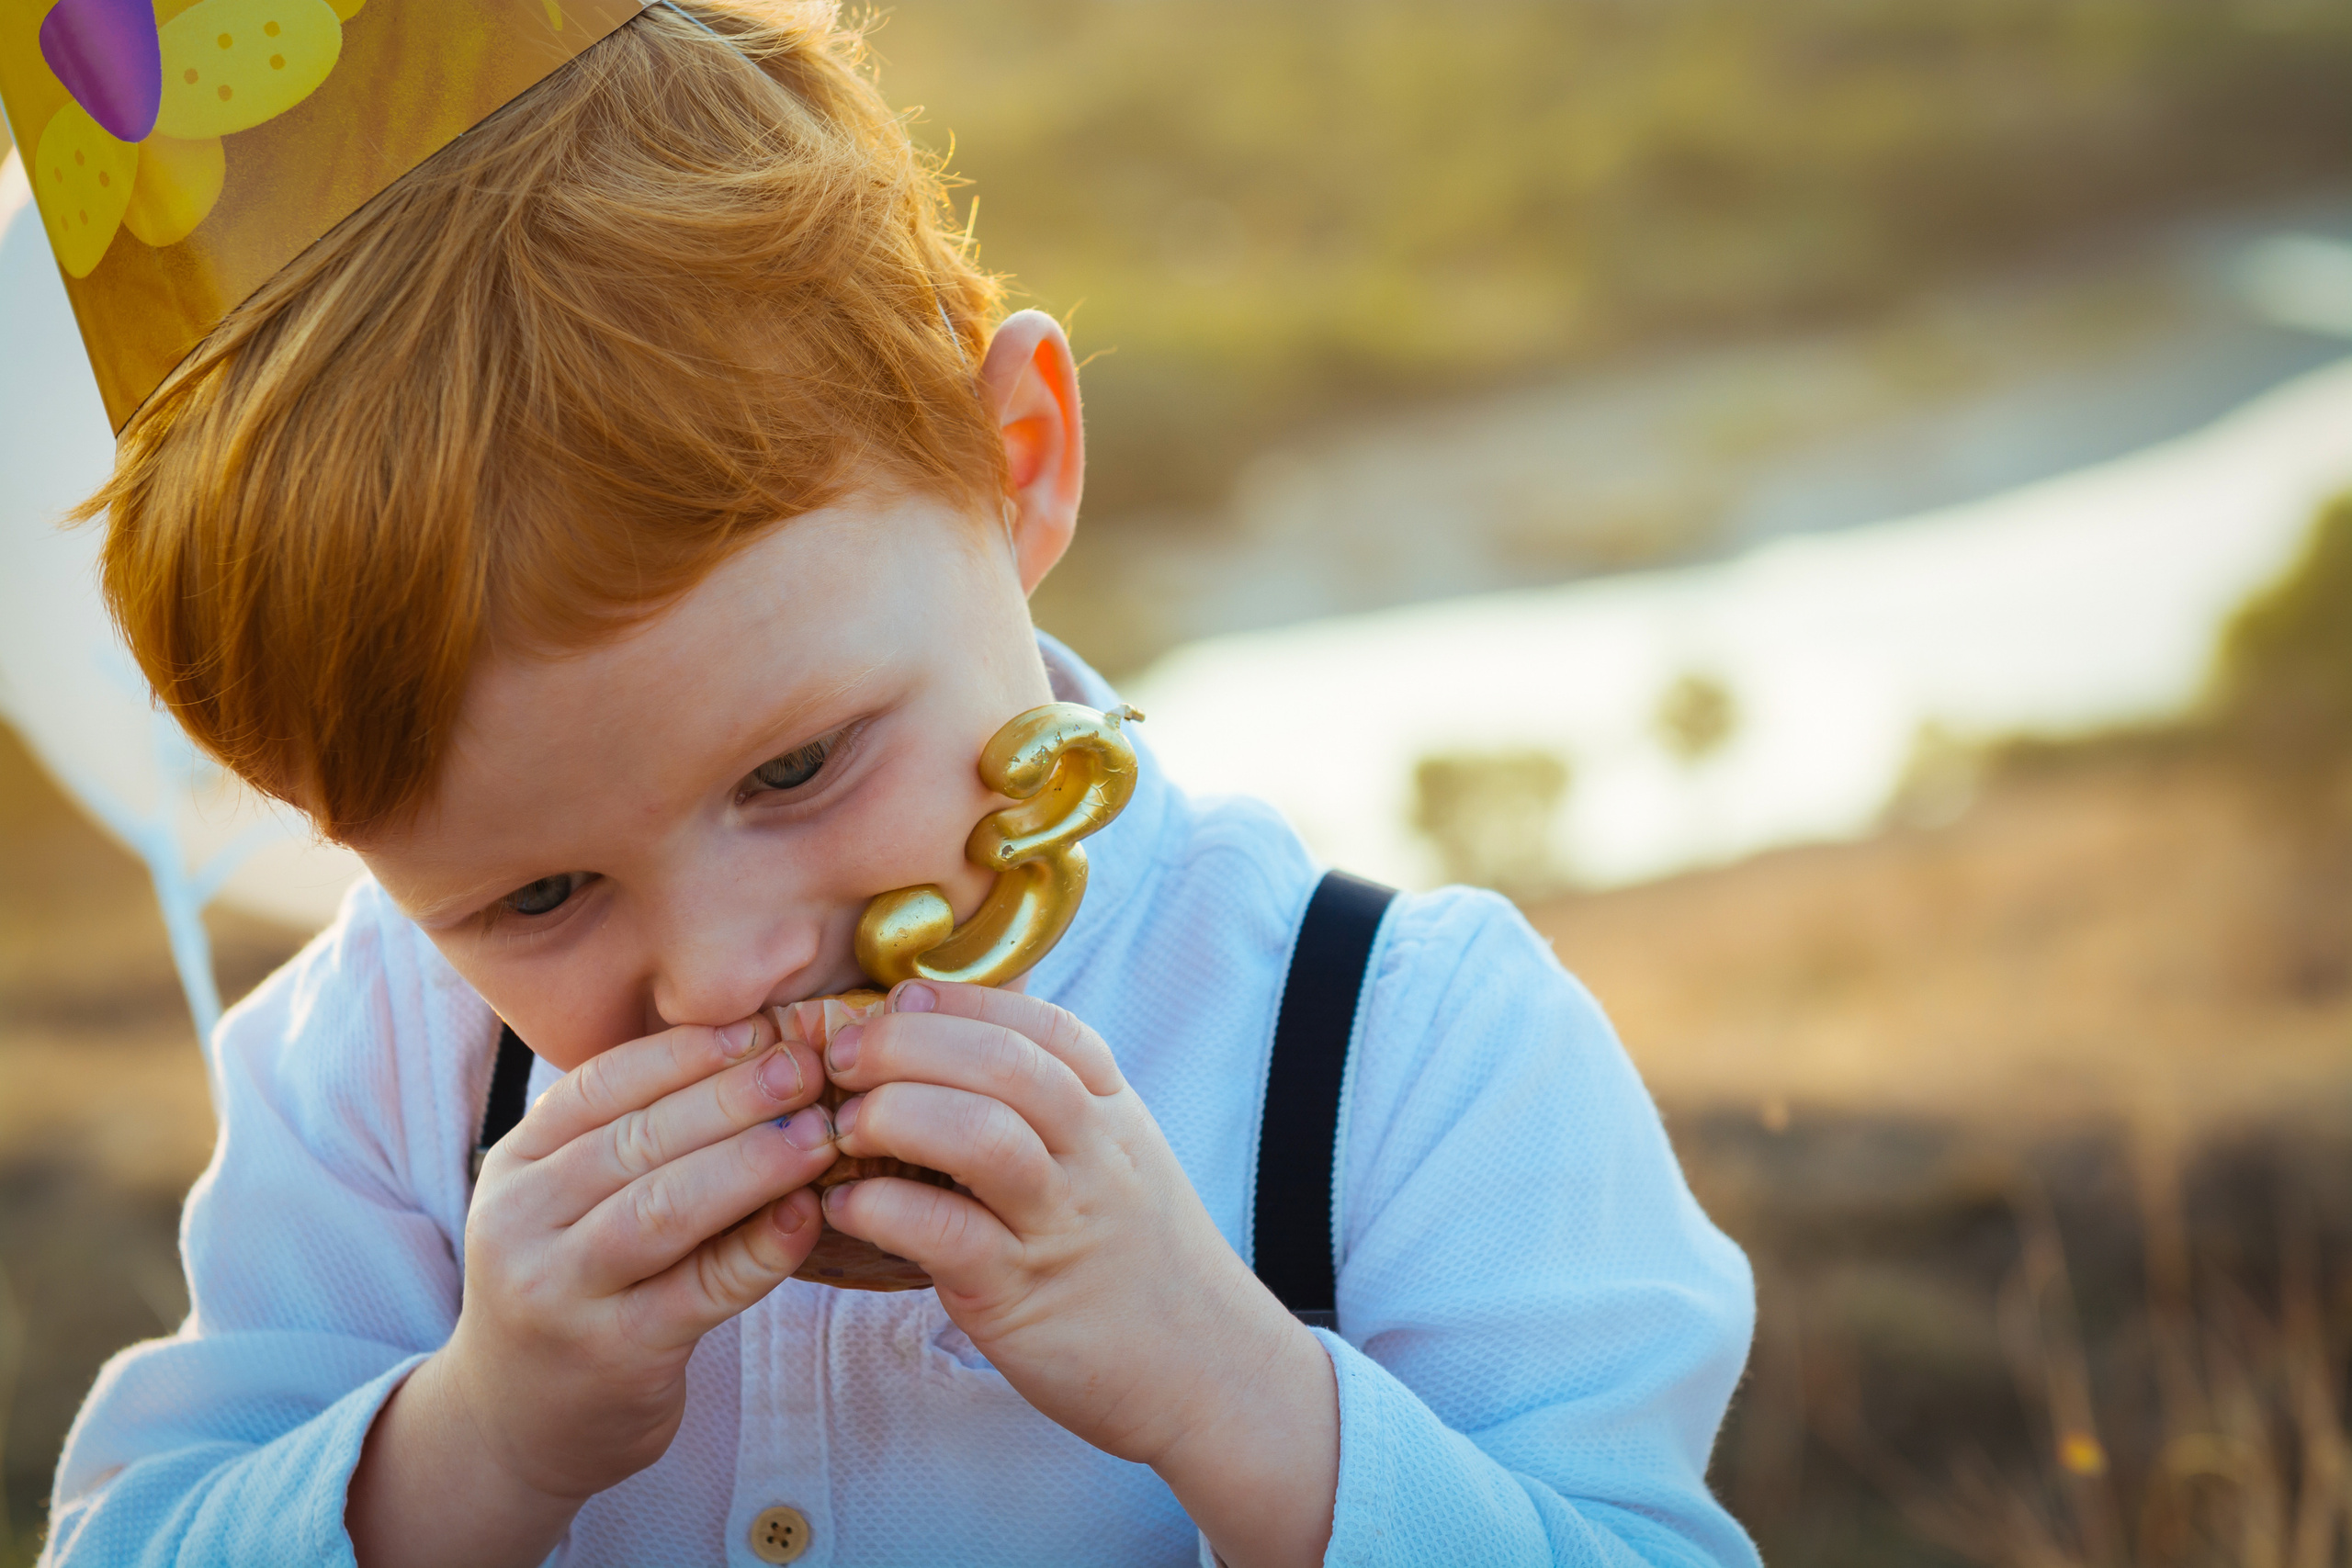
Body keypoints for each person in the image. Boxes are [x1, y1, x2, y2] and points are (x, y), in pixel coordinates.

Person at [38, 5, 1758, 1564]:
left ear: (1015, 466)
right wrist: (474, 1442)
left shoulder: (1407, 1051)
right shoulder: (379, 1077)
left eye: (794, 766)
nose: (723, 976)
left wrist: (1230, 1390)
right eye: (535, 896)